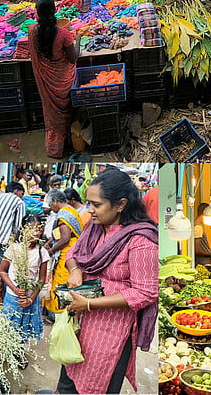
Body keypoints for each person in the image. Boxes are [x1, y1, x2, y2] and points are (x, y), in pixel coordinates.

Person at [58, 168, 158, 395]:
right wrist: (74, 270)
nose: (89, 210)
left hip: (111, 330)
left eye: (96, 204)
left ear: (120, 204)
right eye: (88, 203)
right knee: (69, 378)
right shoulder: (94, 228)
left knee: (98, 383)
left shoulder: (141, 240)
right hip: (80, 321)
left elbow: (145, 292)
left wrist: (91, 304)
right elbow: (73, 252)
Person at [30, 0, 80, 158]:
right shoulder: (64, 34)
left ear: (37, 13)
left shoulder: (32, 32)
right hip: (63, 79)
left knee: (53, 114)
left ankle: (55, 143)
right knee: (75, 80)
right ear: (54, 10)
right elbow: (73, 58)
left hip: (47, 82)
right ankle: (69, 138)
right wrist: (77, 41)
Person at [0, 213, 49, 343]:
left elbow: (41, 279)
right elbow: (2, 270)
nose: (34, 233)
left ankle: (20, 353)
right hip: (12, 296)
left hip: (30, 299)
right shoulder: (14, 248)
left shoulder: (42, 252)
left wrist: (31, 299)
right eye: (31, 228)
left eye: (38, 229)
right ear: (23, 230)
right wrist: (15, 289)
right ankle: (11, 351)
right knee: (9, 328)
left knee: (24, 329)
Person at [44, 189, 82, 315]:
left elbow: (65, 238)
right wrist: (50, 242)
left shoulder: (63, 215)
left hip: (67, 254)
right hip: (74, 250)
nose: (51, 208)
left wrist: (51, 250)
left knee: (60, 285)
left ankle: (58, 315)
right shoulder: (70, 210)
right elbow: (59, 233)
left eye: (50, 205)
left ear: (55, 201)